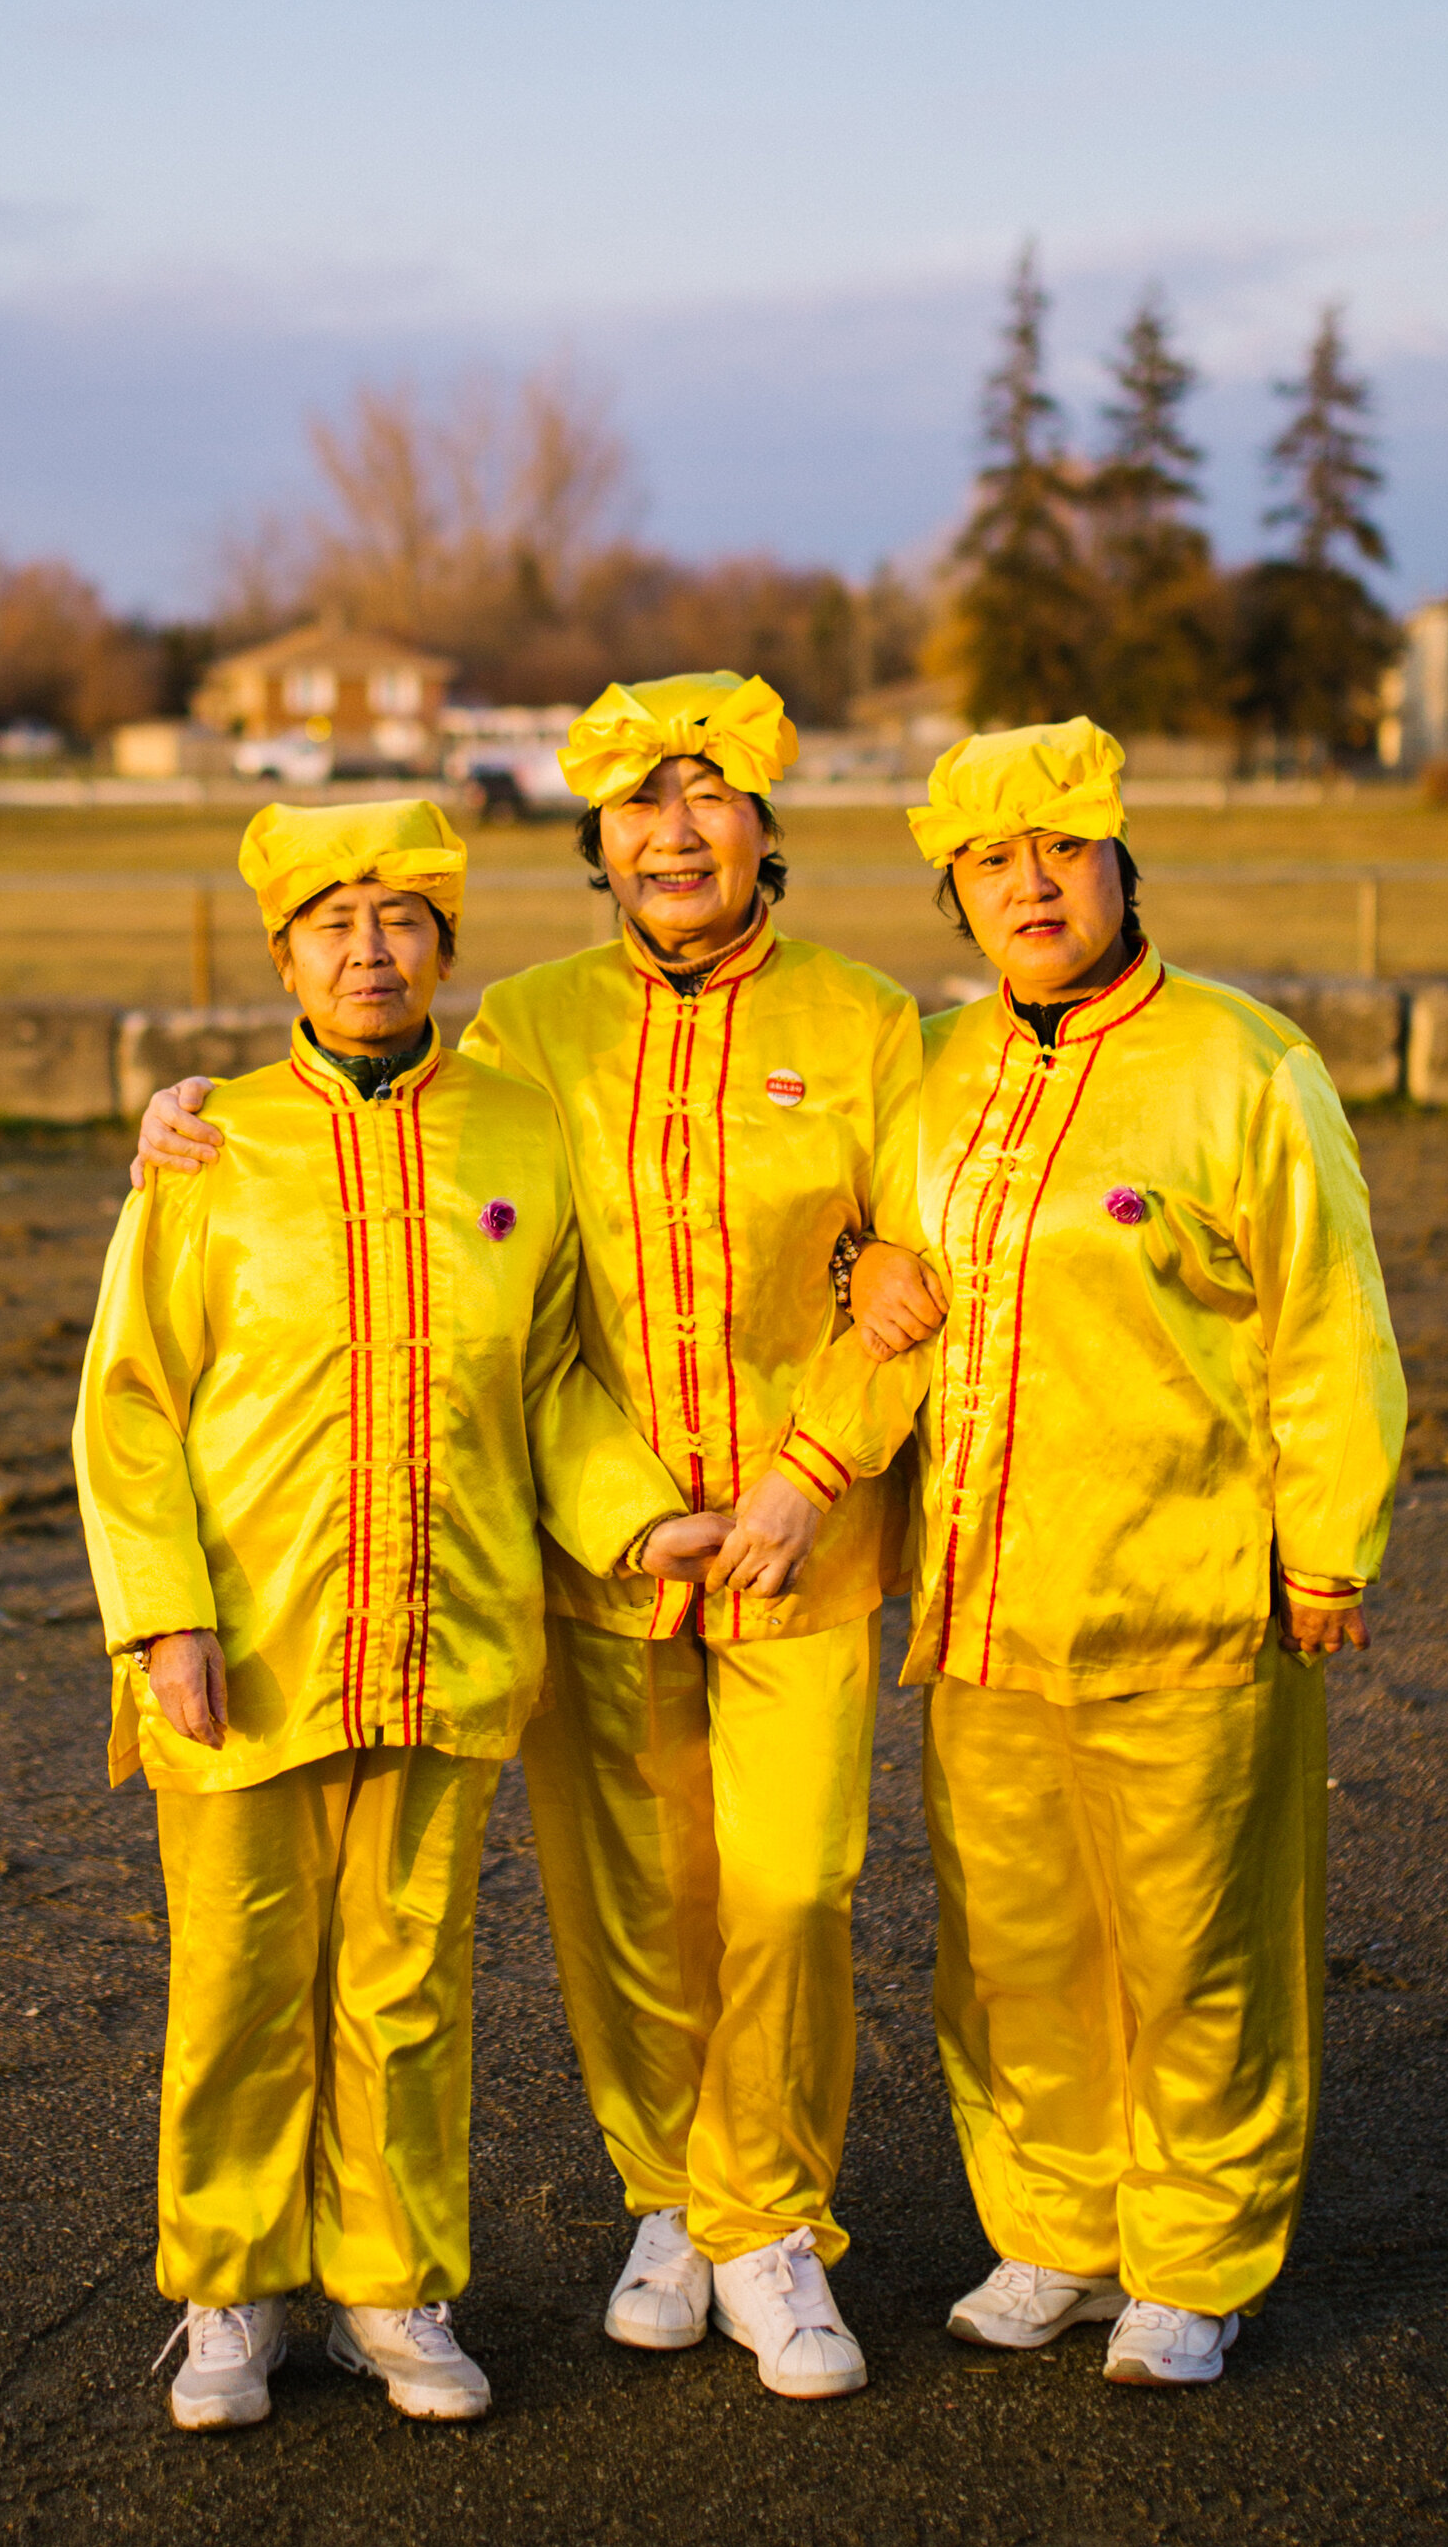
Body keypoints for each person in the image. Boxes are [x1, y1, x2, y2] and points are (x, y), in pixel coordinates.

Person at [135, 673, 942, 2401]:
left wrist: (810, 1463)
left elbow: (923, 1278)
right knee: (629, 1908)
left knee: (791, 1890)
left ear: (766, 826)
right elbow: (405, 1217)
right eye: (638, 806)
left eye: (708, 796)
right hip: (591, 1568)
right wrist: (173, 1121)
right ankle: (666, 2196)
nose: (674, 830)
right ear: (592, 842)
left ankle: (766, 2221)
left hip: (796, 1534)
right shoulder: (520, 1036)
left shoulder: (876, 1026)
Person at [74, 798, 718, 2435]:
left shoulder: (516, 1132)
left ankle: (388, 2281)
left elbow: (559, 1379)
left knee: (408, 1979)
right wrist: (164, 1618)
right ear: (282, 948)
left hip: (450, 1629)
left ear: (447, 939)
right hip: (252, 1643)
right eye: (334, 921)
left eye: (403, 917)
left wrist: (640, 1514)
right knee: (235, 1977)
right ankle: (228, 2290)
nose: (370, 950)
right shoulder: (212, 1143)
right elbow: (132, 1403)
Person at [806, 718, 1406, 2390]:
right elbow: (849, 1244)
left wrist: (1327, 1541)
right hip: (987, 1612)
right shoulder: (926, 1070)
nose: (1032, 884)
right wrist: (859, 1258)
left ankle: (1196, 2255)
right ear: (955, 897)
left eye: (1062, 850)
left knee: (1199, 1947)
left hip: (1189, 1603)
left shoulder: (1244, 1065)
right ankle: (1055, 2233)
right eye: (992, 863)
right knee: (1014, 1950)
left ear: (1126, 862)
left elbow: (1326, 1321)